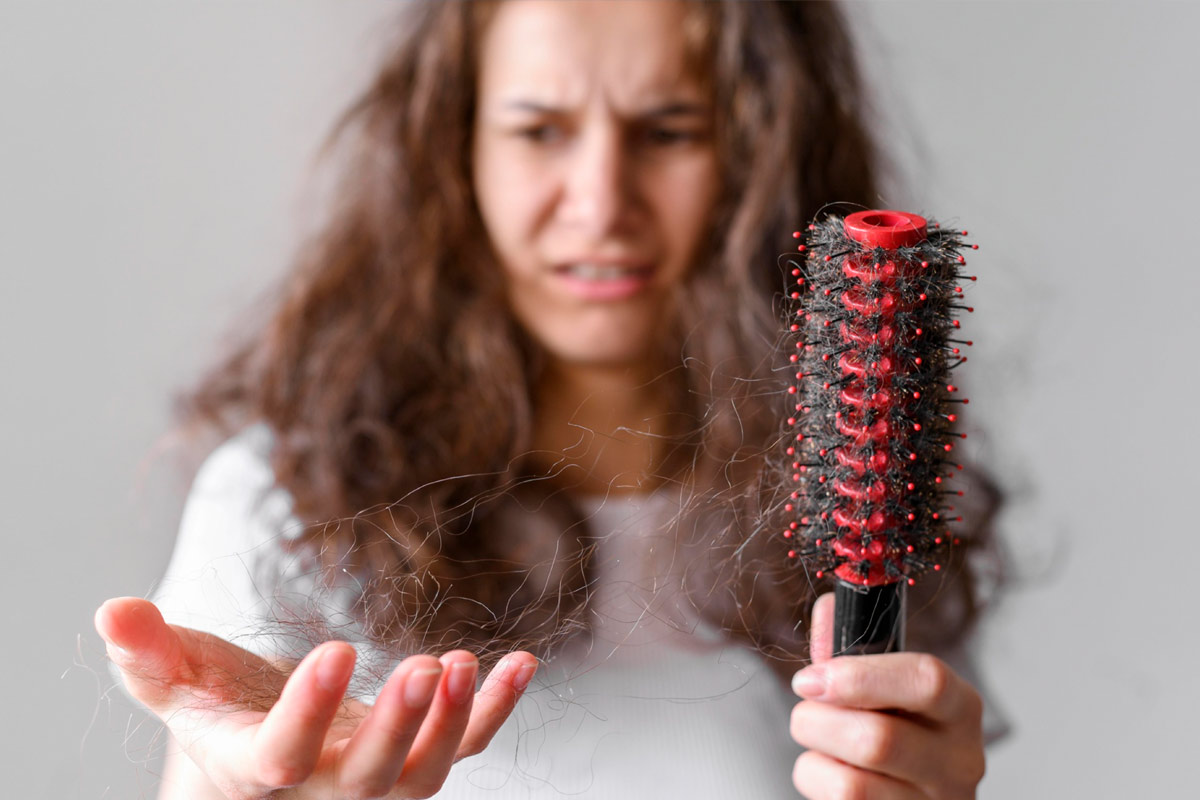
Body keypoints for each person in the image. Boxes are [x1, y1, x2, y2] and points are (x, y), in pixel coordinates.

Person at [95, 2, 996, 797]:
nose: (601, 202)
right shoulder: (283, 500)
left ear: (760, 155)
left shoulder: (860, 513)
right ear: (458, 153)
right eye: (539, 130)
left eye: (669, 130)